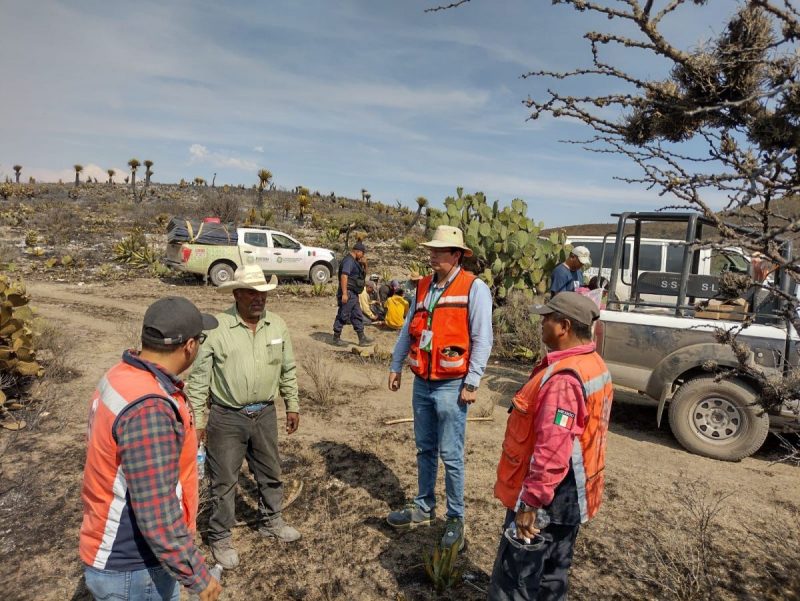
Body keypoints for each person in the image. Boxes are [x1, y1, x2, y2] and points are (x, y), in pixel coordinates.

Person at [79, 297, 222, 601]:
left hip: (112, 551)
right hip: (134, 566)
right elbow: (157, 513)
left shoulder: (122, 376)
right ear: (190, 346)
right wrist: (198, 576)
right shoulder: (149, 408)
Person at [489, 292, 613, 601]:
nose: (542, 322)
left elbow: (552, 448)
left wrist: (531, 503)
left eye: (548, 318)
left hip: (549, 500)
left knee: (517, 580)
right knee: (552, 577)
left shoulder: (564, 379)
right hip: (573, 497)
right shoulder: (593, 364)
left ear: (564, 327)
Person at [185, 265, 302, 571]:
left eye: (262, 292)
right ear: (236, 293)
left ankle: (271, 521)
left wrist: (293, 405)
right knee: (223, 481)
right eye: (251, 292)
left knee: (270, 471)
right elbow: (198, 380)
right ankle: (220, 537)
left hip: (265, 413)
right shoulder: (216, 329)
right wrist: (197, 422)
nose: (258, 298)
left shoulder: (277, 326)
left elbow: (287, 368)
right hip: (226, 417)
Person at [386, 225, 493, 552]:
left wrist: (472, 381)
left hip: (452, 385)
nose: (431, 255)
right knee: (425, 448)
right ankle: (424, 507)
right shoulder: (420, 287)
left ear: (456, 255)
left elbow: (482, 338)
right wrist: (395, 364)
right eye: (431, 250)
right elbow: (408, 328)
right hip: (423, 382)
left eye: (439, 251)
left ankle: (455, 519)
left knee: (451, 454)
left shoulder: (474, 288)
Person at [332, 241, 374, 347]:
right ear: (358, 251)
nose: (363, 256)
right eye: (362, 253)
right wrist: (345, 294)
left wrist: (365, 264)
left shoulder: (355, 261)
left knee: (357, 315)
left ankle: (362, 338)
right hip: (348, 292)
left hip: (354, 293)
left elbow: (362, 275)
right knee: (343, 314)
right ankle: (336, 337)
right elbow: (344, 276)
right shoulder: (348, 261)